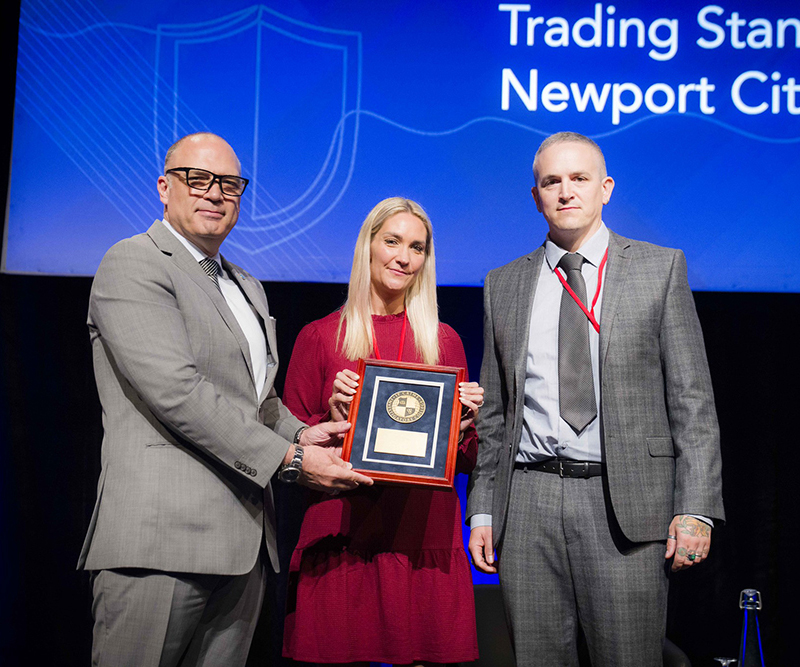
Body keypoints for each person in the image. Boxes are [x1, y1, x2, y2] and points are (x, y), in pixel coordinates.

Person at [77, 131, 372, 667]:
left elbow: (257, 400)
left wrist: (305, 435)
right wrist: (291, 460)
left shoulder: (246, 285)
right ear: (164, 187)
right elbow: (179, 393)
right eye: (198, 179)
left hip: (243, 548)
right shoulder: (134, 262)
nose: (215, 193)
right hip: (160, 543)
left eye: (230, 184)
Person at [467, 132, 725, 666]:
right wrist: (483, 510)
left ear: (605, 188)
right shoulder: (503, 283)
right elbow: (495, 415)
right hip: (529, 503)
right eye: (551, 182)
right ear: (536, 196)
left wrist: (696, 508)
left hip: (626, 504)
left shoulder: (659, 268)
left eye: (579, 178)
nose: (566, 191)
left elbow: (693, 402)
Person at [281, 197, 482, 666]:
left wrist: (462, 427)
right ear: (368, 246)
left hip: (422, 536)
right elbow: (289, 446)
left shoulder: (444, 341)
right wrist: (333, 420)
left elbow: (465, 459)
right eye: (392, 241)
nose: (403, 257)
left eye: (417, 247)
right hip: (343, 536)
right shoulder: (320, 337)